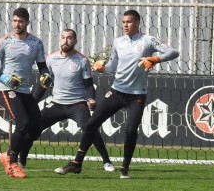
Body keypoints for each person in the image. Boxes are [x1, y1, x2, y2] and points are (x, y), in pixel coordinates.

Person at [57, 10, 179, 179]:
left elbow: (174, 52)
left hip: (137, 95)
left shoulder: (148, 40)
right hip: (116, 91)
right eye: (123, 22)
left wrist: (155, 59)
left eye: (129, 22)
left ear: (137, 23)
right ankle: (77, 163)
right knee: (91, 124)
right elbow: (112, 67)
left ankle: (125, 168)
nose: (125, 25)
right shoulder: (118, 42)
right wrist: (102, 68)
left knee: (130, 131)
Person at [29, 28, 115, 173]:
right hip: (56, 103)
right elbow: (44, 84)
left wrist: (91, 99)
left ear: (75, 41)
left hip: (77, 104)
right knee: (33, 127)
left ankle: (106, 161)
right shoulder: (50, 59)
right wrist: (31, 103)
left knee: (90, 129)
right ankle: (20, 160)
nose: (65, 41)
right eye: (63, 37)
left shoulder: (82, 60)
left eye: (69, 38)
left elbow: (88, 85)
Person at [0, 7, 51, 179]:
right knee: (23, 123)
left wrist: (46, 75)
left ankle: (8, 154)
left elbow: (42, 66)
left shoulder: (36, 43)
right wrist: (6, 78)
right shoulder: (4, 42)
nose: (17, 24)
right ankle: (13, 164)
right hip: (8, 88)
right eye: (15, 20)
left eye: (20, 21)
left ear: (27, 23)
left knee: (36, 126)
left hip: (24, 89)